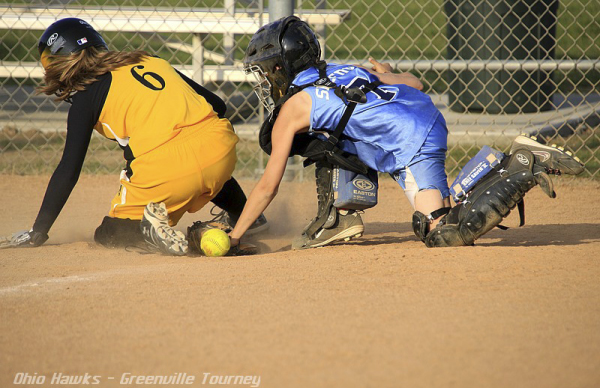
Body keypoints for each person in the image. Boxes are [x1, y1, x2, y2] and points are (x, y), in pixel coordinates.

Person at [227, 16, 584, 249]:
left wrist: (236, 235)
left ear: (280, 67)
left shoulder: (293, 107)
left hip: (409, 140)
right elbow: (415, 83)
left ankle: (520, 164)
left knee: (442, 233)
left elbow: (268, 185)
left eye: (266, 72)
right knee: (446, 212)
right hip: (421, 116)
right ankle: (493, 166)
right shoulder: (342, 69)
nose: (266, 80)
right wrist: (387, 71)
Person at [0, 18, 267, 255]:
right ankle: (246, 214)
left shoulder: (85, 97)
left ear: (58, 63)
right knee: (200, 153)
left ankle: (151, 232)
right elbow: (218, 105)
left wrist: (38, 230)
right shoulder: (149, 60)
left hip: (167, 169)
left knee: (107, 233)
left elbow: (69, 169)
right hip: (220, 149)